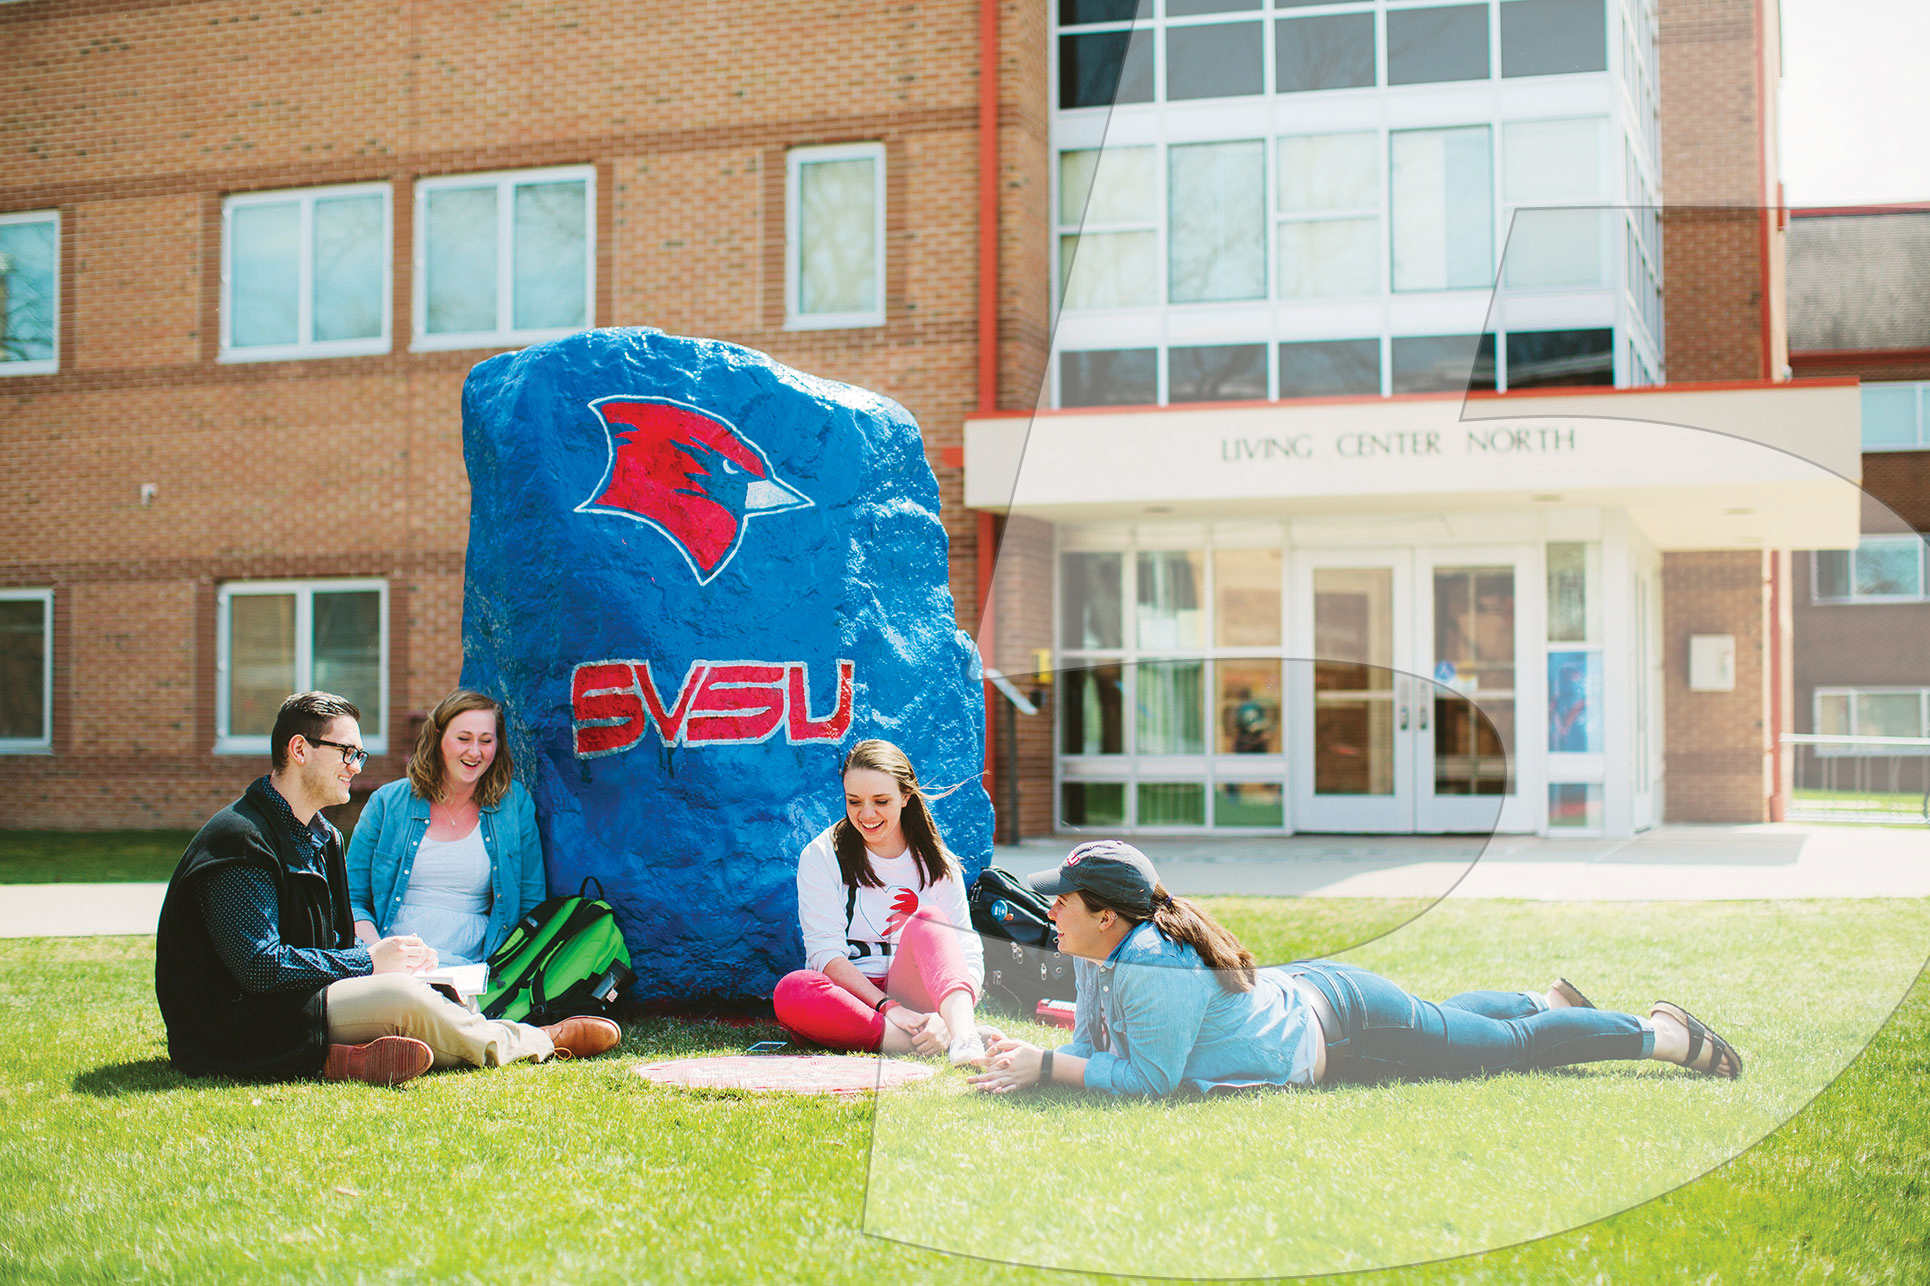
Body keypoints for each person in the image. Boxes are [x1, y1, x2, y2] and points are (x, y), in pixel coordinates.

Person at [968, 840, 1741, 1097]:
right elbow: (1103, 1047)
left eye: (1061, 901)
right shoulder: (1098, 953)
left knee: (1511, 1051)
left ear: (1107, 913)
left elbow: (1149, 1081)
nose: (1051, 916)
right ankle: (1540, 997)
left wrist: (1045, 1068)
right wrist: (1042, 1059)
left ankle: (1661, 1034)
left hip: (1344, 1029)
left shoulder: (1147, 960)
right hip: (1326, 1006)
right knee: (1449, 1023)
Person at [154, 691, 621, 1087]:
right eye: (347, 753)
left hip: (292, 1005)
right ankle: (542, 1039)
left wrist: (394, 966)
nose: (355, 767)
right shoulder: (241, 838)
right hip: (234, 1026)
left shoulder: (321, 835)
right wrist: (371, 961)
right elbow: (259, 969)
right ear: (299, 749)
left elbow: (329, 944)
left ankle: (346, 1058)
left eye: (360, 755)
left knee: (419, 992)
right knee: (404, 998)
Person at [773, 739, 990, 1066]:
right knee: (793, 990)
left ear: (905, 797)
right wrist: (889, 1008)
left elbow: (967, 952)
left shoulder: (937, 863)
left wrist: (947, 1020)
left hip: (917, 993)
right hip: (855, 1000)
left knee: (928, 919)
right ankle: (917, 1040)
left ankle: (962, 1035)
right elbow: (825, 955)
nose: (867, 814)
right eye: (854, 801)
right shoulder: (821, 856)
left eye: (881, 801)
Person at [347, 689, 545, 966]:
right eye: (463, 739)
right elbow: (350, 900)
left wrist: (503, 976)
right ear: (438, 737)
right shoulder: (388, 802)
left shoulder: (514, 806)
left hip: (476, 971)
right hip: (393, 969)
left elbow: (531, 907)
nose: (474, 752)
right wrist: (383, 954)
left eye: (486, 741)